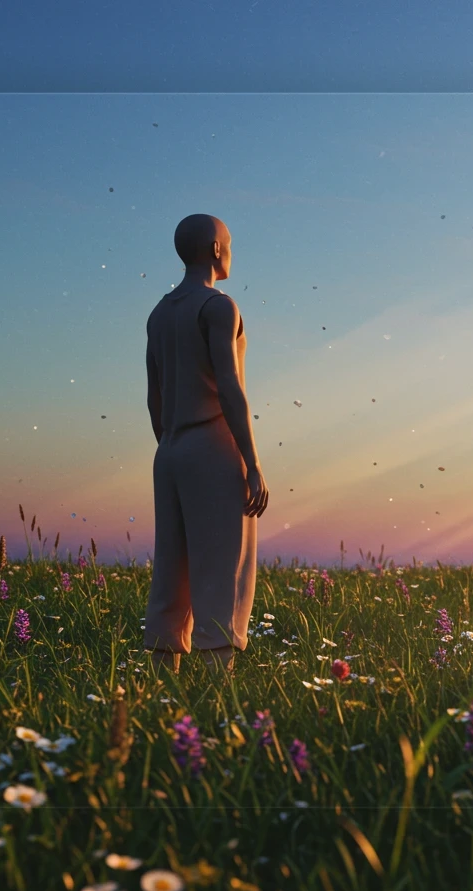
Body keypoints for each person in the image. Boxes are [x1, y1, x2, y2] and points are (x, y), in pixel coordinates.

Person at [143, 213, 269, 676]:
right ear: (216, 249)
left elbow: (154, 395)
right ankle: (219, 692)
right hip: (212, 447)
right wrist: (251, 462)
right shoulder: (218, 307)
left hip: (170, 449)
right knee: (221, 567)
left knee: (171, 567)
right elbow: (230, 386)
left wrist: (170, 444)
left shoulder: (159, 313)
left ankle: (161, 684)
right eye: (230, 242)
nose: (232, 250)